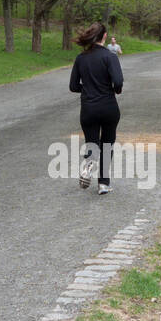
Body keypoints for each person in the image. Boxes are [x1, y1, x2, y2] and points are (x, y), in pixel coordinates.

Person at [69, 21, 123, 194]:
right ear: (105, 36)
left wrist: (87, 89)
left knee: (92, 142)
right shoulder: (110, 57)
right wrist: (116, 89)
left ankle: (90, 161)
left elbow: (73, 86)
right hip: (108, 107)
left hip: (89, 108)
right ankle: (103, 184)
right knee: (107, 144)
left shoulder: (81, 58)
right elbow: (118, 82)